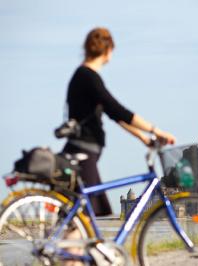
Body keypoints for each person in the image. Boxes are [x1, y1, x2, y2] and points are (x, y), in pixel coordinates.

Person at [63, 27, 175, 216]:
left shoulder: (83, 76)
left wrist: (143, 138)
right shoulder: (88, 76)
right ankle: (62, 246)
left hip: (84, 150)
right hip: (84, 151)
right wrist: (156, 130)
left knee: (83, 218)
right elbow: (117, 110)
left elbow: (114, 116)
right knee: (83, 217)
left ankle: (73, 245)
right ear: (107, 50)